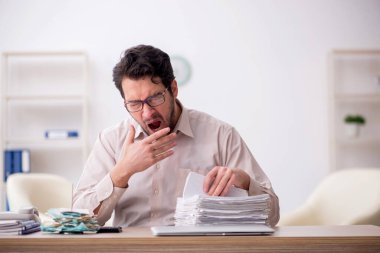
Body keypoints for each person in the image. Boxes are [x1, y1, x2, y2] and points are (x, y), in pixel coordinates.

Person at [73, 45, 280, 227]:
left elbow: (272, 216)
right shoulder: (111, 141)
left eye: (155, 98)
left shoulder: (220, 135)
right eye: (134, 104)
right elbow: (77, 220)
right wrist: (122, 172)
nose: (146, 113)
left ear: (173, 89)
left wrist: (243, 181)